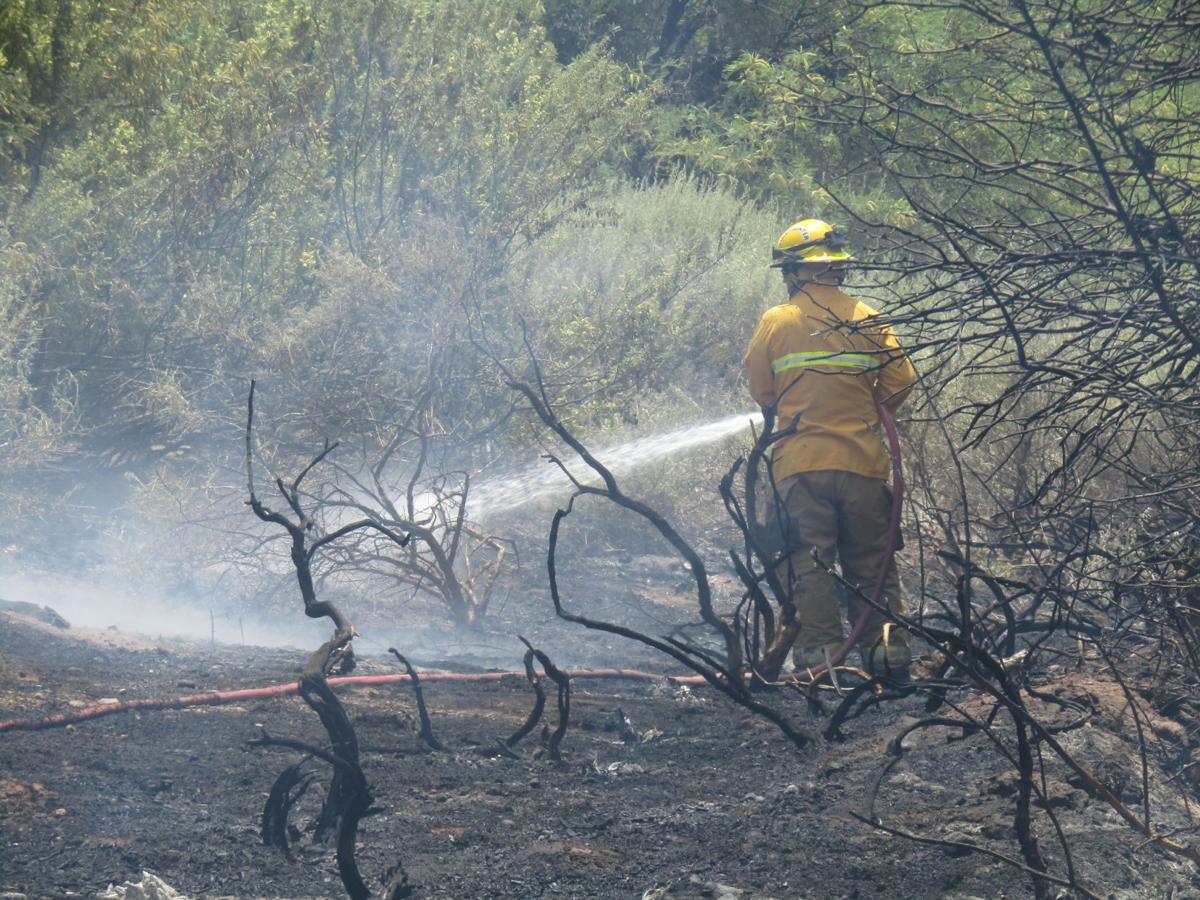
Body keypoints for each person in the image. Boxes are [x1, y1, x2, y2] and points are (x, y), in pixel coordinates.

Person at [743, 218, 917, 680]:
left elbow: (761, 390)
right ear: (837, 267)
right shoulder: (869, 318)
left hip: (799, 467)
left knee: (809, 563)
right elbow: (902, 380)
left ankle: (820, 666)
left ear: (797, 271)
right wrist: (866, 412)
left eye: (787, 270)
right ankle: (888, 662)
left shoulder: (778, 321)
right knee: (872, 563)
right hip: (863, 464)